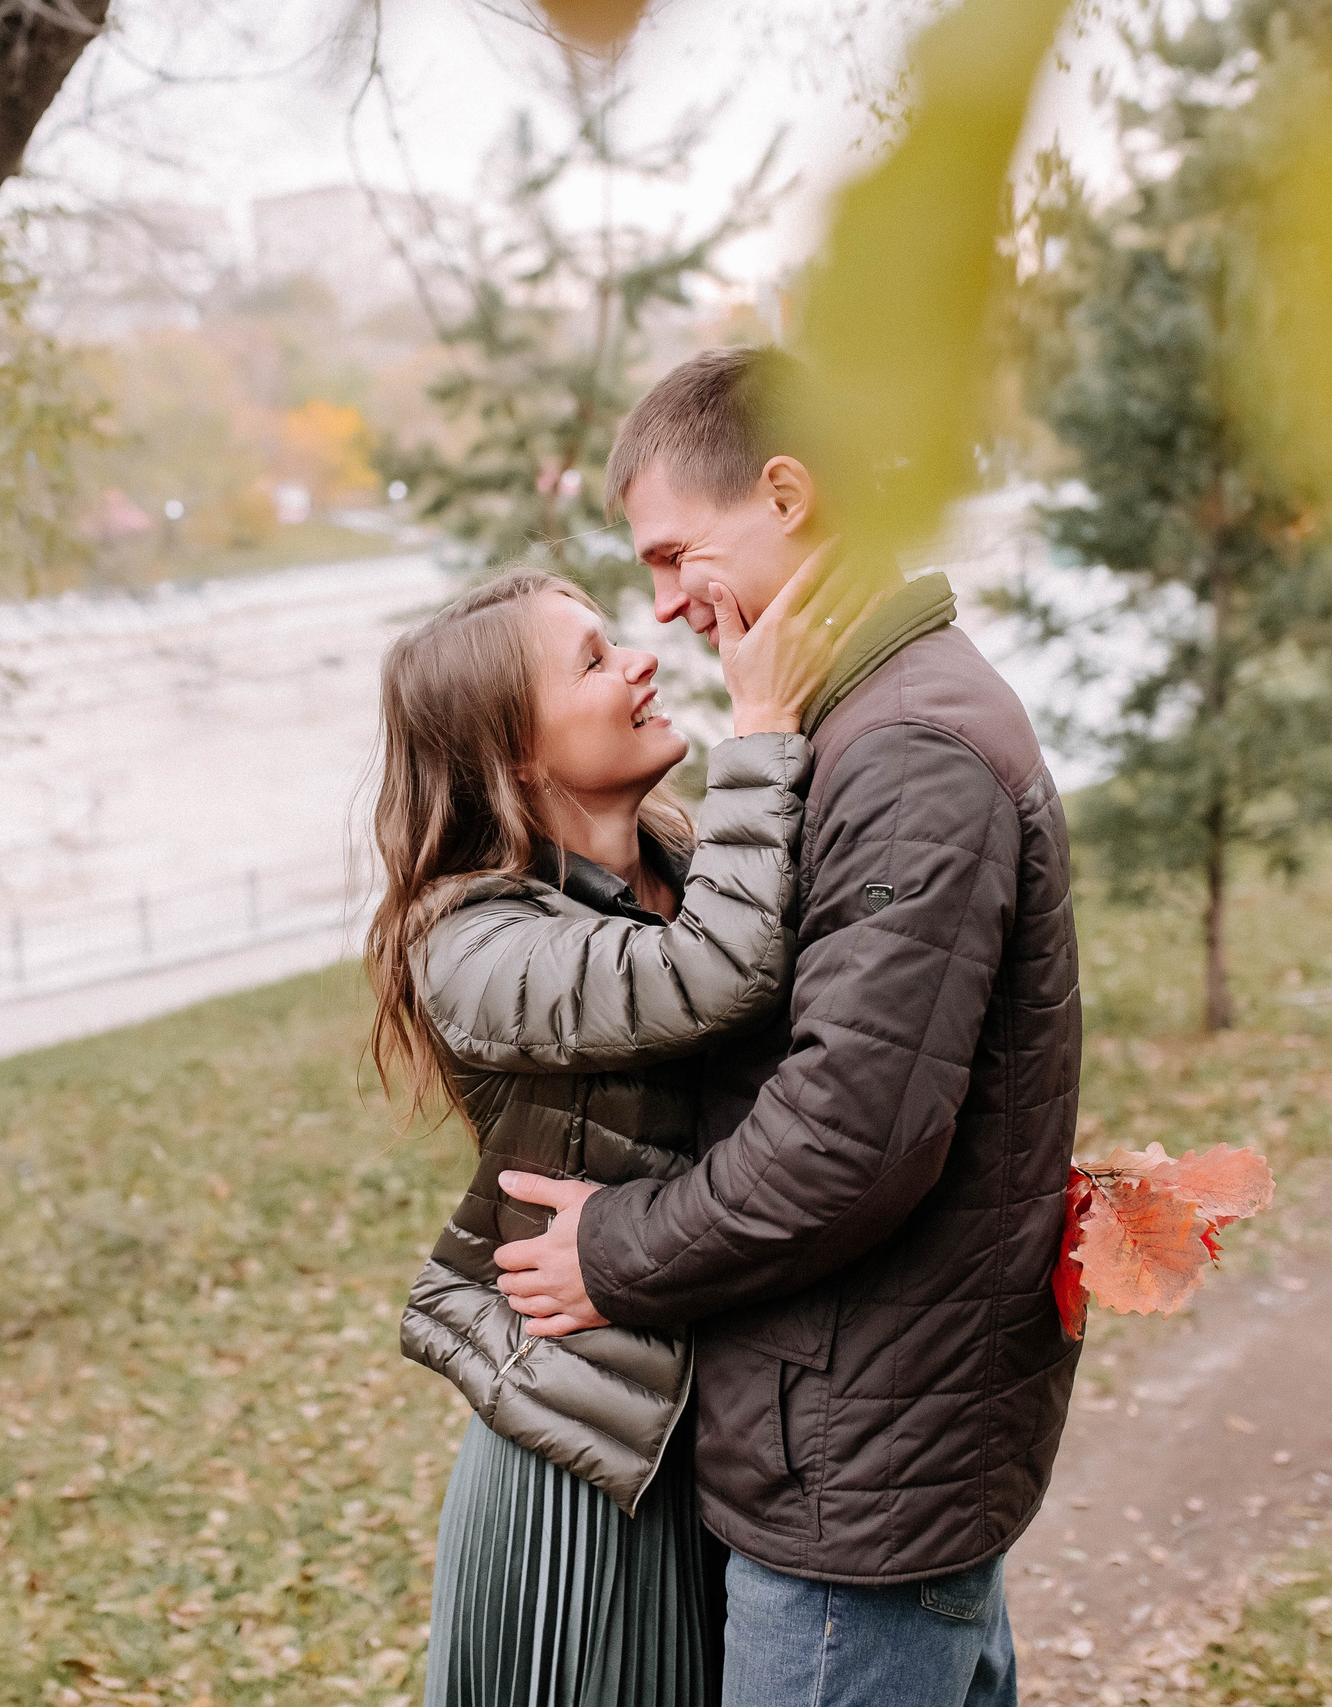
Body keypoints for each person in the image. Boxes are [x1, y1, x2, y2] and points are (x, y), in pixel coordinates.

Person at [489, 346, 1085, 1707]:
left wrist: (616, 1253)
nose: (662, 605)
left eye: (672, 554)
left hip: (856, 1477)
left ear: (788, 493)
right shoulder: (869, 721)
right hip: (870, 1429)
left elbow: (851, 1136)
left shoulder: (908, 750)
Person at [367, 558, 862, 1706]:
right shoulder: (473, 949)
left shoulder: (694, 868)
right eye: (591, 659)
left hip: (717, 1439)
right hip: (580, 1467)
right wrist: (766, 723)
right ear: (518, 756)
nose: (641, 657)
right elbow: (710, 977)